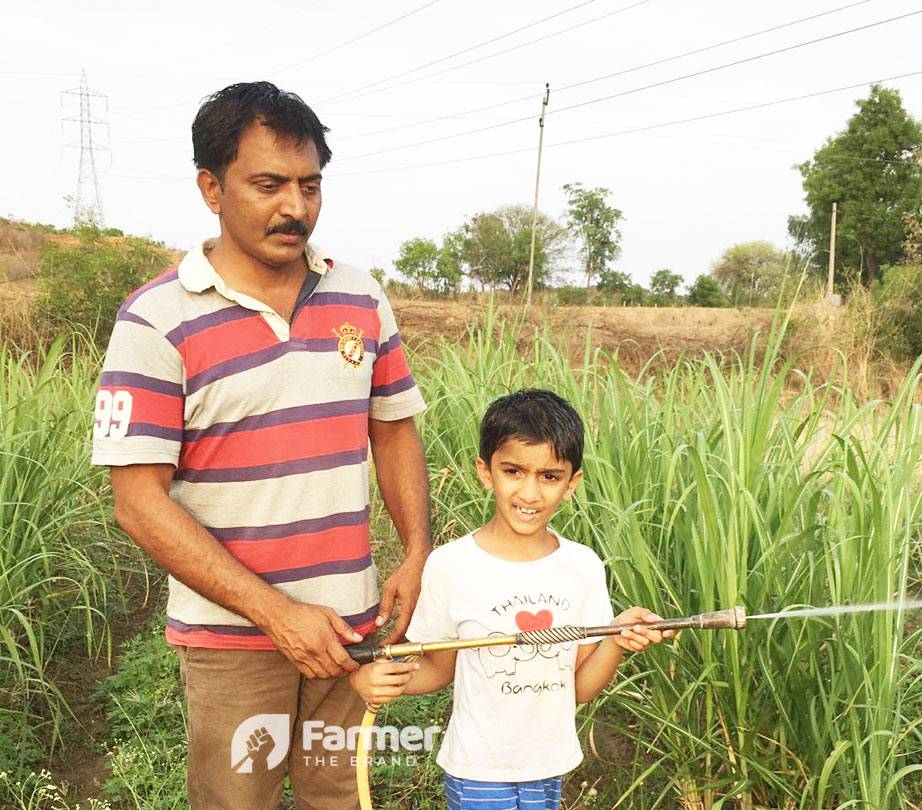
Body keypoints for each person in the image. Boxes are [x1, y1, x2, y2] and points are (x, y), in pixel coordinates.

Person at [91, 81, 431, 809]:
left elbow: (394, 428)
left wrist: (416, 549)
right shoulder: (155, 321)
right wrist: (277, 614)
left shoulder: (361, 297)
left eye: (310, 185)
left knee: (340, 796)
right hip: (233, 644)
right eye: (269, 185)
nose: (295, 208)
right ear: (211, 188)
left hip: (351, 626)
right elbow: (137, 504)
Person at [350, 389, 672, 809]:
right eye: (514, 471)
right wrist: (374, 679)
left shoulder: (583, 566)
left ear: (572, 483)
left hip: (549, 766)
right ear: (486, 472)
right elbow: (435, 668)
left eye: (549, 476)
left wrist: (616, 638)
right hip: (478, 771)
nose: (530, 494)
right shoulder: (451, 565)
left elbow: (579, 688)